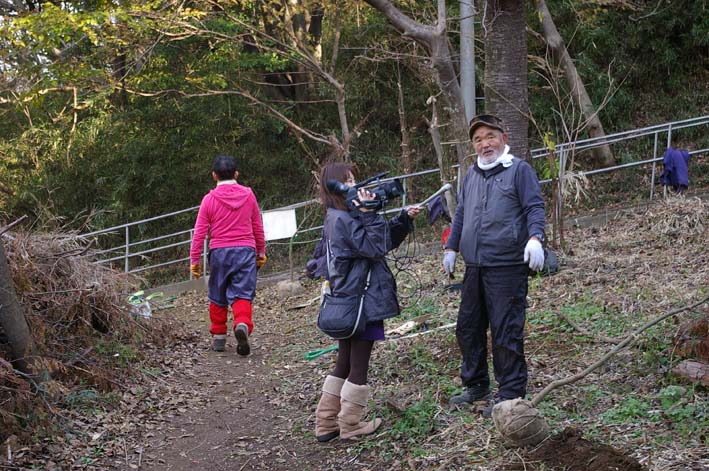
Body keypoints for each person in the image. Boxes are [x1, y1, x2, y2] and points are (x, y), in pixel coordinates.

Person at [443, 114, 546, 418]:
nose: (484, 144)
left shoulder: (519, 171)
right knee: (468, 328)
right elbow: (461, 214)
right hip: (475, 266)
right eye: (478, 139)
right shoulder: (472, 175)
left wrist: (535, 238)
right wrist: (451, 246)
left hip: (507, 266)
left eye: (490, 137)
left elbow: (534, 206)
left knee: (505, 330)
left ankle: (511, 394)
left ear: (503, 137)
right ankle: (475, 385)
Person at [314, 162, 420, 442]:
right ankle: (350, 425)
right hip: (363, 300)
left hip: (347, 301)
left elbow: (377, 242)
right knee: (359, 365)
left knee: (345, 362)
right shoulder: (346, 219)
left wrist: (402, 221)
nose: (355, 186)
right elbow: (375, 246)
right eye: (348, 181)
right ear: (336, 187)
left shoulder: (336, 216)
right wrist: (370, 213)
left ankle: (326, 423)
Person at [190, 155, 267, 356]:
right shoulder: (249, 195)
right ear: (236, 174)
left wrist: (194, 260)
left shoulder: (209, 200)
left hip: (219, 252)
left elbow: (199, 232)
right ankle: (241, 323)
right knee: (242, 292)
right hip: (245, 250)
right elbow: (257, 225)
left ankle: (219, 336)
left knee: (217, 292)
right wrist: (261, 251)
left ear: (214, 176)